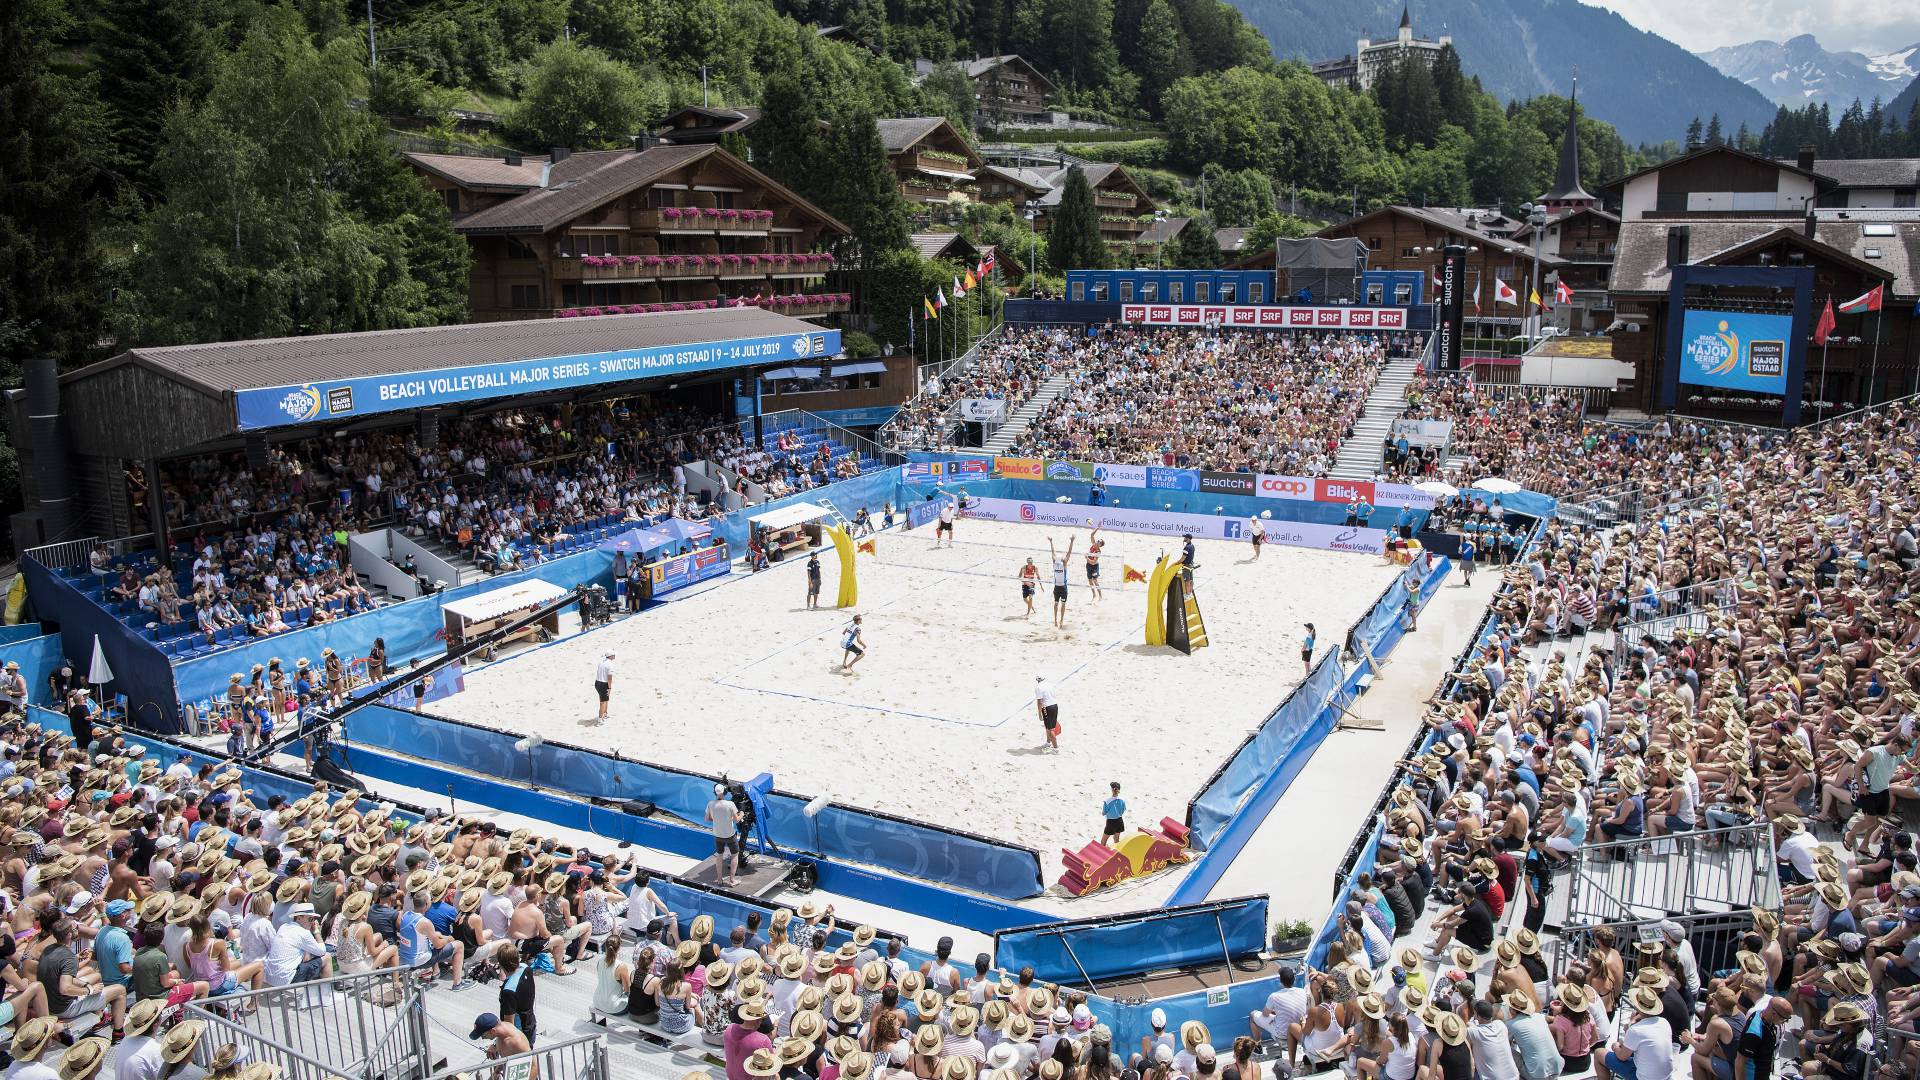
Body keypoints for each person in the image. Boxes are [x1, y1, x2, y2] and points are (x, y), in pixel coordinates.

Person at [263, 903, 330, 987]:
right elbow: (322, 951)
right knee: (327, 957)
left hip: (271, 977)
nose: (313, 922)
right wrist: (316, 932)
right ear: (299, 918)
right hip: (286, 979)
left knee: (306, 955)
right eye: (310, 919)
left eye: (314, 919)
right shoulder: (303, 933)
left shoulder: (283, 927)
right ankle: (326, 991)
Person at [707, 784, 743, 888]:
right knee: (735, 854)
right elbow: (737, 820)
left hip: (717, 834)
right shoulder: (730, 804)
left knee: (719, 855)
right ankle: (732, 880)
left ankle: (719, 880)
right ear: (725, 792)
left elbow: (707, 818)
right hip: (730, 835)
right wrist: (742, 814)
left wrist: (719, 819)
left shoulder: (710, 804)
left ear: (715, 793)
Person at [1048, 536, 1075, 628]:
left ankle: (1061, 620)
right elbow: (1068, 553)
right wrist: (1072, 541)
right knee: (1057, 604)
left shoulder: (1056, 563)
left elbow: (1054, 552)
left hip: (1061, 587)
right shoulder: (1063, 563)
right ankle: (1056, 620)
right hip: (1059, 587)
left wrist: (1051, 542)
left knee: (1061, 604)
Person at [1034, 676, 1060, 753]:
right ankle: (1048, 743)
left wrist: (1039, 713)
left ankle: (1056, 749)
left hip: (1047, 708)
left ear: (1037, 680)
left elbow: (1039, 702)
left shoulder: (1038, 687)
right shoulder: (1050, 684)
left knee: (1050, 728)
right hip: (1055, 706)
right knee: (1049, 726)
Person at [593, 652, 615, 722]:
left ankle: (605, 714)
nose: (615, 656)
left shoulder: (601, 662)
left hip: (597, 683)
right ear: (611, 656)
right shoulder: (610, 664)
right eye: (614, 655)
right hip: (603, 684)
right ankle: (600, 719)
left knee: (605, 699)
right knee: (603, 702)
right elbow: (609, 677)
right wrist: (609, 687)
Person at [1085, 527, 1104, 601]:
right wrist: (1098, 527)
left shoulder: (1098, 552)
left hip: (1094, 566)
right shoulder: (1093, 545)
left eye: (1099, 542)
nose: (1098, 541)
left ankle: (1100, 596)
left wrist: (1087, 557)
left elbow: (1093, 562)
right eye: (1098, 540)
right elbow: (1092, 534)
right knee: (1090, 581)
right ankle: (1094, 595)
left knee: (1095, 581)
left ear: (1100, 545)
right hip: (1088, 565)